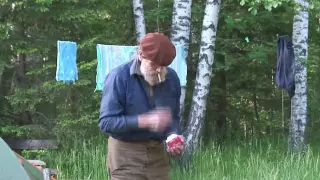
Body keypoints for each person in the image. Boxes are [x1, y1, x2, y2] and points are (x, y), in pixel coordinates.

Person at [98, 32, 184, 180]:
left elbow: (174, 118)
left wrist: (173, 136)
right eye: (154, 64)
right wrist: (143, 121)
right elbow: (106, 123)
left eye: (163, 65)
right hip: (125, 156)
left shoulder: (172, 78)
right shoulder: (118, 77)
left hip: (159, 157)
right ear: (140, 55)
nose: (159, 70)